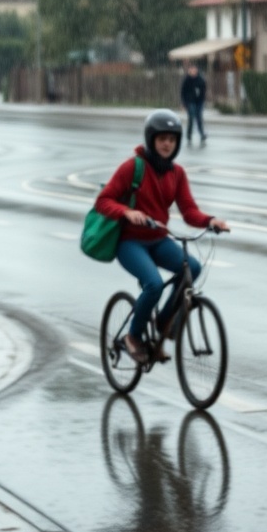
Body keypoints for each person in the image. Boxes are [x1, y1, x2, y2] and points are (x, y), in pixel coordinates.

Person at [94, 109, 229, 365]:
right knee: (154, 284)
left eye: (172, 139)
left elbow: (189, 211)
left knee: (193, 269)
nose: (167, 144)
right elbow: (103, 201)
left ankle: (163, 322)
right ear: (151, 139)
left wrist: (210, 221)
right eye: (162, 138)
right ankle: (133, 337)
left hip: (157, 239)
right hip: (130, 242)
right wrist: (127, 212)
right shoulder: (132, 167)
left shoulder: (176, 173)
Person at [180, 62, 207, 144]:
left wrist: (202, 100)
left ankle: (202, 134)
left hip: (199, 102)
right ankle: (189, 134)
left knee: (199, 118)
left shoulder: (200, 79)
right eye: (191, 69)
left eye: (194, 69)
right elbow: (183, 92)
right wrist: (184, 103)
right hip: (190, 101)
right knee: (191, 118)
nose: (193, 71)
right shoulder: (187, 80)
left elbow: (203, 91)